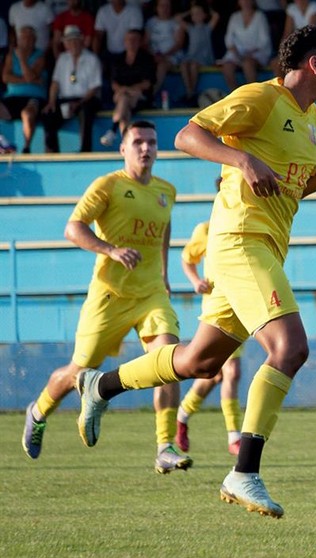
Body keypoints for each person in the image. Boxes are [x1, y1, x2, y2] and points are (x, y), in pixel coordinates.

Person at [72, 25, 316, 519]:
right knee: (291, 348)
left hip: (264, 249)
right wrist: (241, 158)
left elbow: (303, 184)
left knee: (199, 361)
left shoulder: (313, 117)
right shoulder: (260, 98)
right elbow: (186, 135)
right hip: (240, 241)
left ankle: (101, 385)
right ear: (313, 64)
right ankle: (244, 472)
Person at [21, 120, 193, 475]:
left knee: (169, 363)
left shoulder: (166, 191)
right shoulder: (109, 186)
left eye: (151, 143)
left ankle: (164, 445)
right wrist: (110, 250)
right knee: (77, 372)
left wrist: (163, 273)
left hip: (151, 295)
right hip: (110, 295)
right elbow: (73, 228)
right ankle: (37, 413)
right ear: (123, 149)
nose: (146, 149)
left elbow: (164, 228)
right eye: (138, 143)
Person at [176, 204, 244, 456]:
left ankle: (181, 416)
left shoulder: (247, 226)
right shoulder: (206, 229)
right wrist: (196, 281)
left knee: (214, 375)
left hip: (241, 307)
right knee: (231, 372)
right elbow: (187, 258)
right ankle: (234, 437)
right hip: (218, 309)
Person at [41, 24, 102, 153]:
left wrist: (79, 103)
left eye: (75, 40)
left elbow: (95, 87)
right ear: (65, 44)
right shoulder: (62, 59)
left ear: (81, 41)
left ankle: (85, 151)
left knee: (86, 111)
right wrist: (51, 101)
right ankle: (52, 152)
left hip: (86, 99)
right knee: (48, 114)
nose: (73, 44)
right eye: (69, 41)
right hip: (65, 99)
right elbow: (55, 82)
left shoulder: (92, 59)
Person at [100, 28, 155, 147]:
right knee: (124, 101)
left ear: (140, 42)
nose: (132, 42)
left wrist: (130, 90)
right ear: (125, 41)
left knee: (124, 106)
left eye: (135, 40)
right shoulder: (118, 59)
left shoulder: (146, 59)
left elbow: (147, 83)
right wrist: (125, 90)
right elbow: (114, 83)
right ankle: (120, 137)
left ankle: (115, 132)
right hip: (122, 94)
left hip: (140, 97)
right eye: (129, 40)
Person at [0, 25, 47, 154]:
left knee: (27, 114)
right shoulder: (11, 56)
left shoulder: (40, 56)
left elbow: (30, 75)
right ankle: (2, 142)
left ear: (34, 40)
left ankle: (26, 148)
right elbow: (5, 77)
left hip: (33, 97)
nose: (26, 41)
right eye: (23, 38)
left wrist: (21, 59)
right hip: (12, 97)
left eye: (29, 38)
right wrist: (28, 80)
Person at [219, 0, 272, 93]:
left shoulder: (260, 16)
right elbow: (229, 38)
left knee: (247, 64)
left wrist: (250, 53)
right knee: (227, 67)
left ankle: (252, 94)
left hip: (257, 52)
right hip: (237, 53)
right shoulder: (234, 17)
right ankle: (235, 95)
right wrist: (236, 52)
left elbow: (264, 40)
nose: (246, 2)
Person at [177, 1, 220, 106]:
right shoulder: (190, 28)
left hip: (203, 57)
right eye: (194, 14)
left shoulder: (207, 27)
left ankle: (193, 91)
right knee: (184, 65)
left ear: (204, 15)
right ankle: (189, 91)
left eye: (199, 13)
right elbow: (177, 18)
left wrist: (207, 7)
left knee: (193, 65)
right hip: (191, 56)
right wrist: (190, 10)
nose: (196, 16)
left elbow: (216, 16)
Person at [144, 0, 183, 100]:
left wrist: (164, 56)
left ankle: (151, 94)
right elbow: (146, 43)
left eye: (167, 6)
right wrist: (154, 55)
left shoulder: (175, 22)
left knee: (162, 66)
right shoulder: (150, 22)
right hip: (153, 56)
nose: (164, 8)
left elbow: (179, 43)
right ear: (156, 7)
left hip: (172, 56)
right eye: (162, 6)